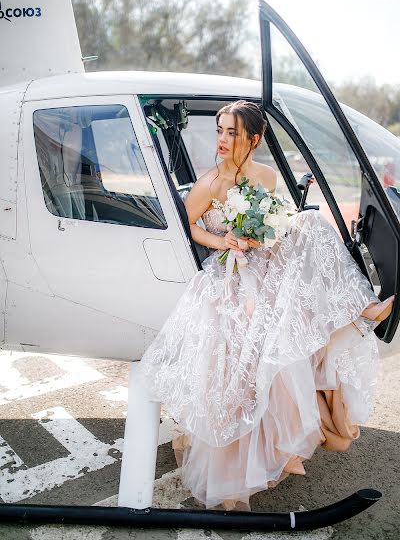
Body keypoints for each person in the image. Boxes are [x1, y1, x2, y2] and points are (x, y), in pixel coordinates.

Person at [137, 100, 394, 511]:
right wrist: (226, 241)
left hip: (267, 262)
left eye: (232, 132)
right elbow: (188, 225)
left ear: (254, 139)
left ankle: (362, 306)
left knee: (308, 223)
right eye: (220, 130)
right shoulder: (211, 183)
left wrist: (269, 234)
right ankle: (240, 464)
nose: (222, 139)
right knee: (254, 328)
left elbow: (278, 222)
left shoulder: (266, 175)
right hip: (231, 270)